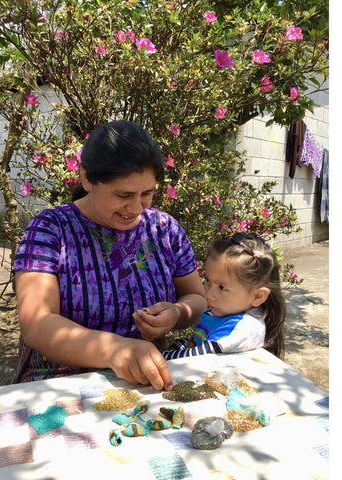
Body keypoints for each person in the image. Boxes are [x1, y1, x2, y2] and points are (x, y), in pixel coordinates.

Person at [12, 120, 206, 391]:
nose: (136, 207)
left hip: (145, 384)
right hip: (62, 386)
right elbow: (37, 324)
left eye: (147, 194)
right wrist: (116, 349)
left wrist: (176, 313)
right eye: (123, 194)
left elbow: (196, 298)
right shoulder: (50, 230)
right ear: (86, 178)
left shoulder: (164, 229)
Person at [162, 232, 286, 360]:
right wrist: (176, 346)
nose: (209, 294)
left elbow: (195, 355)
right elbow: (196, 341)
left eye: (222, 287)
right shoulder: (222, 312)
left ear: (258, 296)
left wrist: (162, 356)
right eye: (208, 281)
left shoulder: (243, 328)